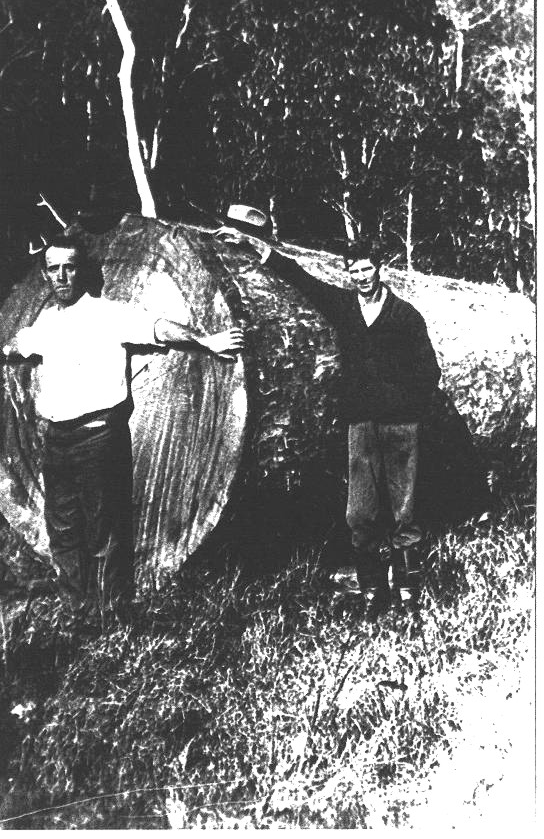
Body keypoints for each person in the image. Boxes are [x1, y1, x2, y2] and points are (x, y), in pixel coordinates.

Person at [1, 234, 244, 615]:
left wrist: (206, 340)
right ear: (46, 276)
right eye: (53, 269)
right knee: (63, 532)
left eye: (69, 267)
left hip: (98, 437)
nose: (62, 276)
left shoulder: (108, 314)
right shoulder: (46, 322)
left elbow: (159, 328)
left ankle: (114, 612)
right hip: (57, 441)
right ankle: (76, 611)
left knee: (104, 531)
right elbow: (17, 343)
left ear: (82, 271)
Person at [215, 223, 441, 620]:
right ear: (348, 273)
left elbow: (428, 373)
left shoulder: (405, 316)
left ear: (379, 268)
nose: (361, 278)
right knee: (360, 513)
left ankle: (409, 596)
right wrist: (252, 244)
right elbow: (303, 279)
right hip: (360, 426)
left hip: (400, 427)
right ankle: (373, 595)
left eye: (367, 270)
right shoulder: (345, 306)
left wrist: (400, 408)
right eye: (354, 272)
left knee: (405, 512)